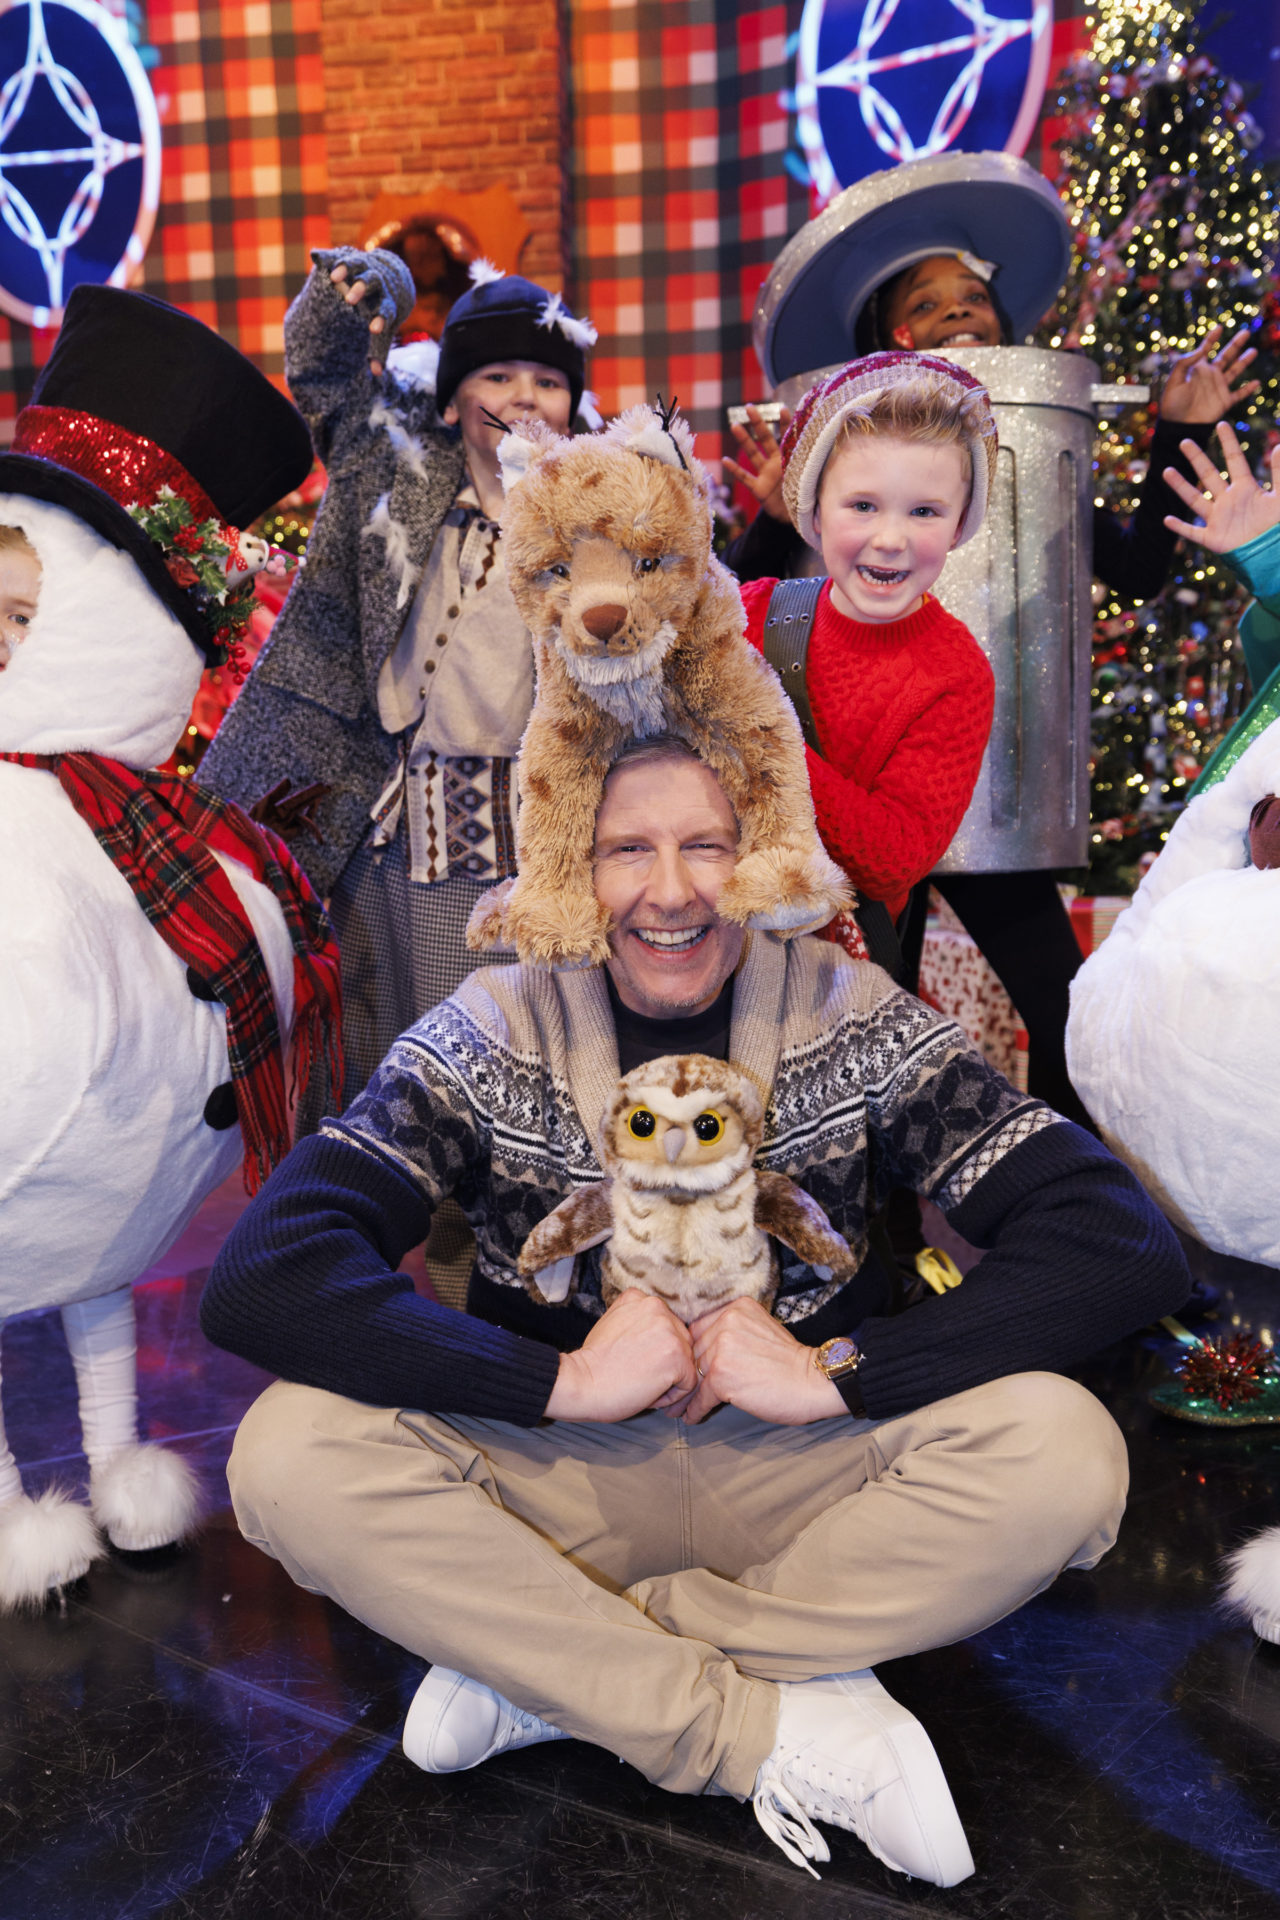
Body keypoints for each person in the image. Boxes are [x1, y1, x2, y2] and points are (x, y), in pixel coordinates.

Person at [200, 732, 1190, 1889]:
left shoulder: (850, 1010)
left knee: (1063, 1452)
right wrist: (556, 1385)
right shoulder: (488, 1025)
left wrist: (840, 1373)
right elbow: (269, 1267)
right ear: (573, 865)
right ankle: (758, 1725)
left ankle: (552, 1670)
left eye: (705, 846)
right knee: (287, 1453)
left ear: (759, 857)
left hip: (805, 1470)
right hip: (557, 1472)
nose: (668, 892)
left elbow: (1113, 1240)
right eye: (628, 850)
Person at [198, 249, 597, 1118]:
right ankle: (355, 1236)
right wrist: (374, 284)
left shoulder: (593, 525)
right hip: (379, 823)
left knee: (500, 1066)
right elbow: (327, 372)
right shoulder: (391, 472)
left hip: (519, 834)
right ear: (451, 401)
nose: (525, 396)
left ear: (576, 407)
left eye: (549, 381)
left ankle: (482, 1248)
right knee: (373, 1060)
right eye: (497, 374)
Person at [737, 351, 997, 936]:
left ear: (958, 526)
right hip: (702, 947)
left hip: (834, 983)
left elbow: (892, 858)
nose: (889, 539)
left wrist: (748, 733)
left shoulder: (955, 674)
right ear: (815, 510)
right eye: (862, 506)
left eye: (924, 512)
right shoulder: (751, 612)